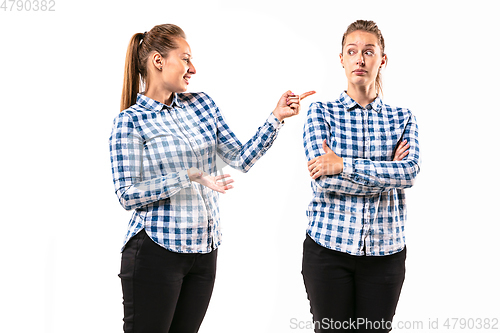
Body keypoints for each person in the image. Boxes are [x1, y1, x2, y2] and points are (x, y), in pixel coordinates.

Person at [109, 23, 314, 333]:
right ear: (157, 61)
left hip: (204, 252)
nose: (193, 68)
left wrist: (276, 118)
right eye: (185, 58)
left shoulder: (202, 105)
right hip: (155, 252)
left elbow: (241, 159)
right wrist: (187, 175)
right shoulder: (130, 121)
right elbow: (127, 194)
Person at [302, 20, 420, 332]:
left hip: (385, 254)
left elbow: (408, 173)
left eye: (369, 51)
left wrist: (344, 165)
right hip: (328, 250)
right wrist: (386, 173)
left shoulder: (402, 118)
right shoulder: (320, 112)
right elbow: (324, 178)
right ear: (341, 59)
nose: (360, 59)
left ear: (382, 59)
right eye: (352, 51)